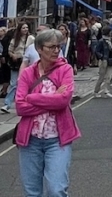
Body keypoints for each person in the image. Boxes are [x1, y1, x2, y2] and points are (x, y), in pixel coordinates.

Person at [15, 29, 81, 197]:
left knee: (56, 190)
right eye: (51, 47)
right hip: (30, 141)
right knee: (32, 192)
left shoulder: (65, 69)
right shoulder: (28, 74)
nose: (56, 50)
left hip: (57, 140)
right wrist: (52, 99)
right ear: (39, 49)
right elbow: (20, 107)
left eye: (58, 46)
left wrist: (32, 98)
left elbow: (63, 101)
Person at [1, 22, 34, 113]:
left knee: (27, 83)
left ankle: (26, 102)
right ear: (19, 29)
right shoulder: (14, 39)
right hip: (16, 63)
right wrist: (13, 55)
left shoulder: (31, 39)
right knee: (14, 83)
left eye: (27, 27)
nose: (25, 29)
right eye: (23, 28)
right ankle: (7, 104)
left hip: (27, 63)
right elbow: (9, 50)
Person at [91, 27, 112, 98]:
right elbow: (96, 51)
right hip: (103, 60)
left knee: (109, 76)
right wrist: (101, 57)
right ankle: (96, 91)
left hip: (109, 60)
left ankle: (105, 91)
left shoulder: (110, 40)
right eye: (110, 31)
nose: (111, 33)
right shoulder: (102, 41)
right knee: (101, 77)